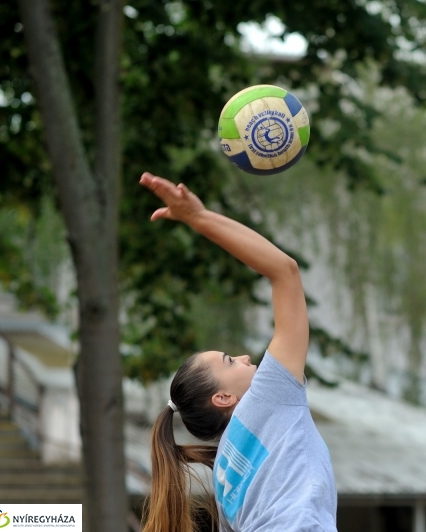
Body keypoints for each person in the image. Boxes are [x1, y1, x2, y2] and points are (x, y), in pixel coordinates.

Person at [138, 172, 337, 532]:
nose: (244, 358)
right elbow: (285, 271)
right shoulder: (268, 396)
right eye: (229, 361)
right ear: (224, 397)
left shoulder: (224, 479)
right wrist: (197, 217)